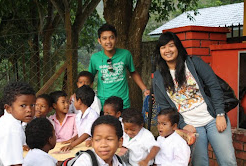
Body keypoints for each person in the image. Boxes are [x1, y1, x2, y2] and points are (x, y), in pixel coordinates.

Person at [152, 31, 237, 166]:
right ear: (159, 52)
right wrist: (183, 125)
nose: (167, 50)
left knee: (228, 161)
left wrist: (220, 113)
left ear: (178, 47)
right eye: (163, 47)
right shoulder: (158, 77)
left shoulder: (193, 63)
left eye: (171, 46)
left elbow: (214, 86)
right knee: (199, 163)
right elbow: (166, 108)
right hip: (191, 126)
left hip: (213, 119)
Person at [88, 23, 150, 109]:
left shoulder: (125, 54)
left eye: (111, 37)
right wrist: (80, 93)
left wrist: (145, 90)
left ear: (116, 39)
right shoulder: (95, 58)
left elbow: (133, 72)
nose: (108, 41)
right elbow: (88, 78)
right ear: (99, 41)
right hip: (103, 105)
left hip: (123, 103)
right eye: (104, 38)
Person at [0, 82, 36, 166]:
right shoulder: (13, 128)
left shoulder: (5, 121)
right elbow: (15, 164)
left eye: (32, 105)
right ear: (8, 108)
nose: (29, 109)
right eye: (23, 105)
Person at [61, 85, 99, 151]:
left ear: (79, 101)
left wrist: (72, 145)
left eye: (74, 100)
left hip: (91, 145)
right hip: (82, 144)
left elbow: (86, 134)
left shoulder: (93, 115)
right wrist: (73, 139)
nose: (73, 103)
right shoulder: (78, 115)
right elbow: (81, 132)